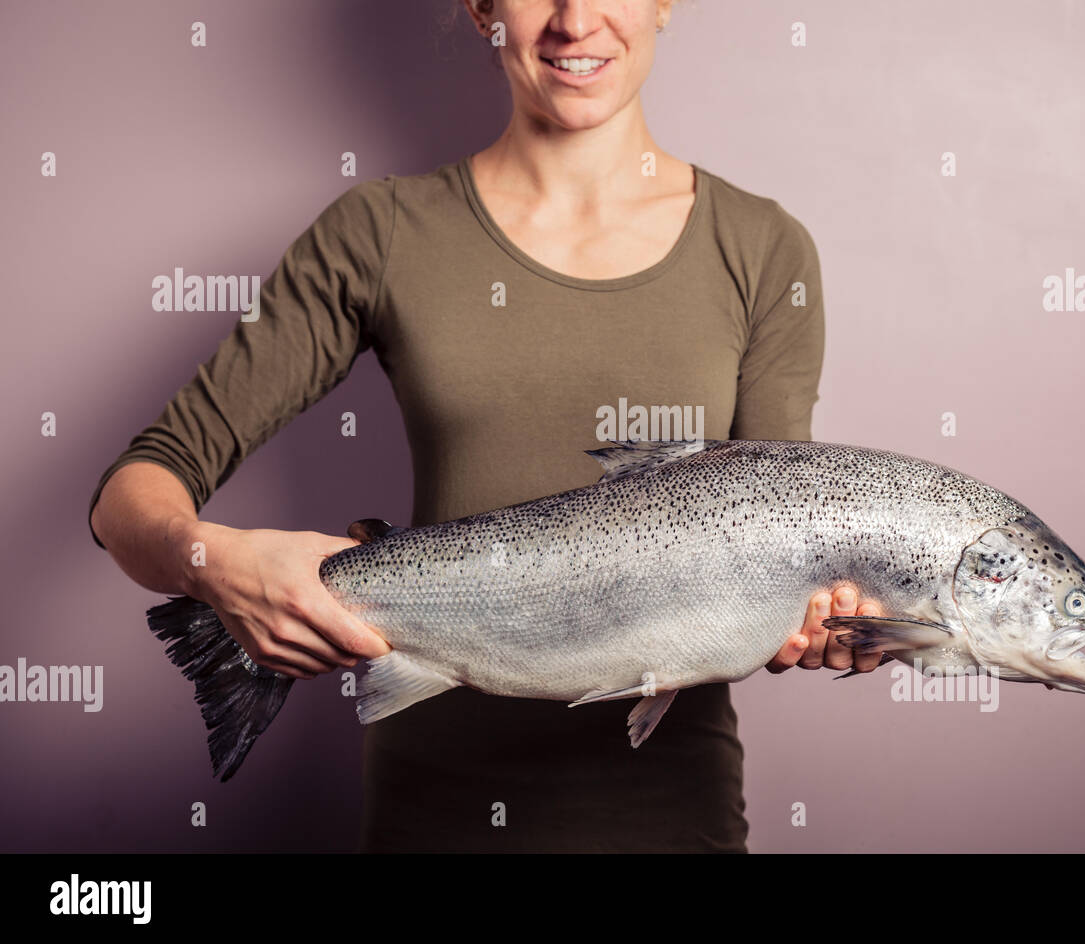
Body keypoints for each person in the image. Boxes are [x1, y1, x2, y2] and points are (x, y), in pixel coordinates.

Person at [88, 0, 883, 852]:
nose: (575, 21)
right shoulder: (380, 233)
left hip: (672, 819)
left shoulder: (764, 249)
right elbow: (132, 494)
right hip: (434, 815)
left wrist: (843, 622)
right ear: (480, 8)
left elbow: (794, 540)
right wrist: (218, 565)